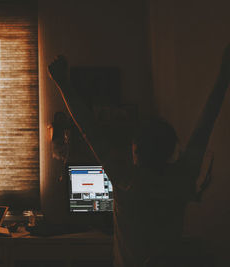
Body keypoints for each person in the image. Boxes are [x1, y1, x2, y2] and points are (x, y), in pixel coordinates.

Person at [47, 44, 230, 267]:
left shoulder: (127, 181)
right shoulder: (182, 179)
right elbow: (205, 127)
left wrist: (63, 84)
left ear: (136, 151)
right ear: (171, 148)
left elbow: (88, 129)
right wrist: (223, 77)